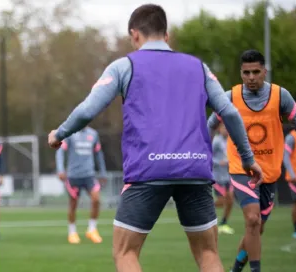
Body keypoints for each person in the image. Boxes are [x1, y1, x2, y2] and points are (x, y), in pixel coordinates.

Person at [48, 4, 262, 272]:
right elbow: (230, 112)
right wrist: (248, 158)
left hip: (148, 170)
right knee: (208, 252)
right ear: (167, 35)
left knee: (125, 253)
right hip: (194, 169)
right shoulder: (199, 67)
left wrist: (60, 133)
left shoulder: (124, 66)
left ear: (134, 35)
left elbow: (88, 110)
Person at [207, 49, 296, 272]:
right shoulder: (230, 97)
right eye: (246, 73)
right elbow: (211, 124)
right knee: (252, 219)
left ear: (264, 71)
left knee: (257, 228)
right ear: (241, 73)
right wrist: (202, 155)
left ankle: (235, 269)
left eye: (255, 72)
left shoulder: (281, 96)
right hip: (241, 167)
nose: (251, 77)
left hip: (269, 171)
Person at [55, 126, 107, 244]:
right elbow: (60, 151)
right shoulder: (70, 133)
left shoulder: (93, 134)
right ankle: (72, 232)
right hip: (73, 176)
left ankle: (92, 229)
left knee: (96, 199)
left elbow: (99, 154)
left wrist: (103, 172)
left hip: (89, 175)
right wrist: (60, 170)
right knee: (73, 204)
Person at [212, 123, 235, 235]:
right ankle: (201, 208)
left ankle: (223, 223)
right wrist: (218, 162)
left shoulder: (231, 141)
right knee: (221, 200)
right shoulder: (216, 141)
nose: (226, 130)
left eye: (227, 128)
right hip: (217, 176)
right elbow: (207, 156)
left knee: (230, 200)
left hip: (228, 176)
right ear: (219, 129)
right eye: (224, 128)